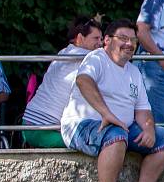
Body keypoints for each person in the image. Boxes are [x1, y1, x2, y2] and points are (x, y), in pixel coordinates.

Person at [61, 19, 164, 182]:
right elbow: (83, 81)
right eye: (123, 38)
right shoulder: (96, 58)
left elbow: (142, 109)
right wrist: (107, 114)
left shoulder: (133, 71)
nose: (129, 44)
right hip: (82, 125)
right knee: (116, 133)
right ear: (107, 40)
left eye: (133, 40)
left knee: (163, 137)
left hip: (121, 128)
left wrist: (148, 128)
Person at [22, 16, 103, 148]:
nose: (100, 43)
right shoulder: (87, 56)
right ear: (80, 38)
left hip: (28, 125)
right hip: (42, 131)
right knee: (96, 144)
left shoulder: (64, 52)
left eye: (101, 39)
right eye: (96, 38)